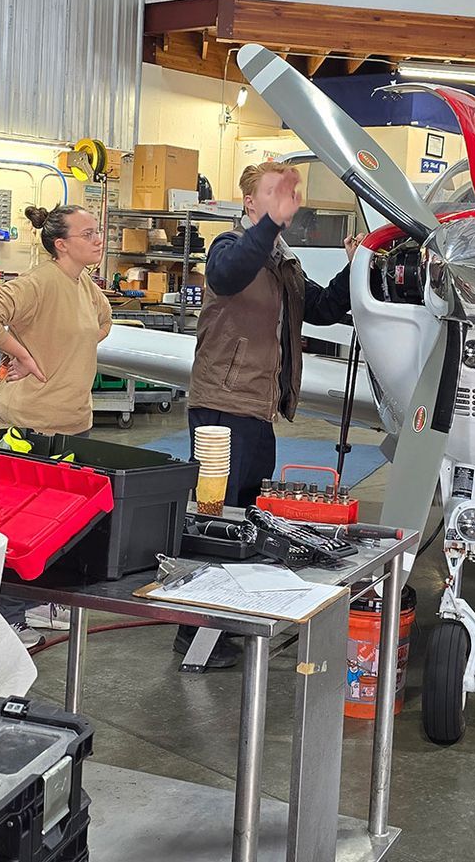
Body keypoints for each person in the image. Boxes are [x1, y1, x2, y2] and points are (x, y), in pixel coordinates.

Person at [176, 160, 356, 667]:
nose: (285, 201)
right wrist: (271, 225)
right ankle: (193, 632)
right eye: (273, 193)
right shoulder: (231, 248)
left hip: (259, 408)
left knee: (248, 515)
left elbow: (320, 309)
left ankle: (227, 618)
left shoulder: (282, 261)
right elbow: (230, 274)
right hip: (222, 404)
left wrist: (356, 266)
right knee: (213, 516)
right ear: (250, 203)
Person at [0, 205, 112, 436]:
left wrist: (70, 350)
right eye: (87, 234)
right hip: (30, 424)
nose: (98, 240)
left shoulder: (83, 282)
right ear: (61, 245)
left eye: (97, 232)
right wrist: (23, 355)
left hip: (76, 421)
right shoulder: (38, 282)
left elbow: (105, 322)